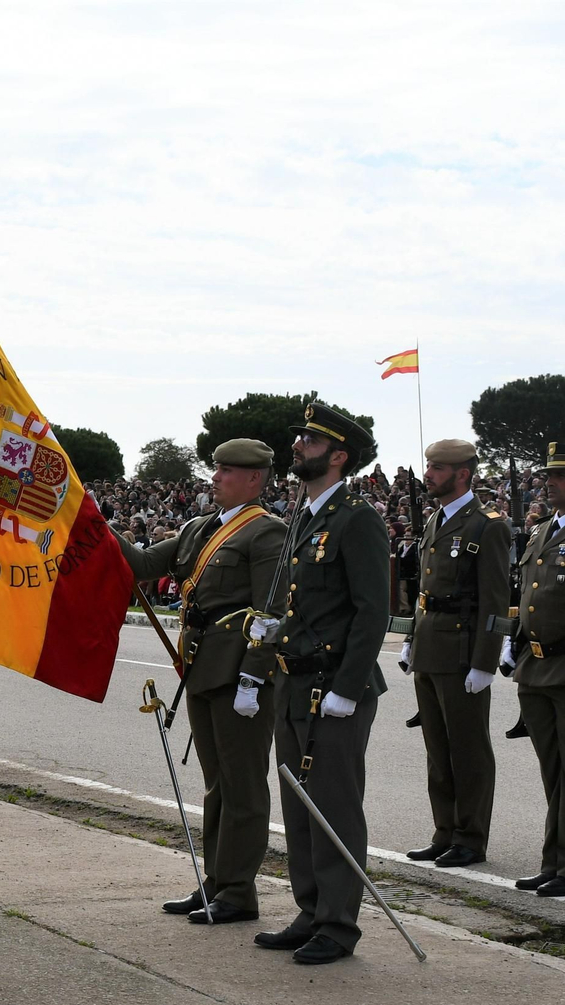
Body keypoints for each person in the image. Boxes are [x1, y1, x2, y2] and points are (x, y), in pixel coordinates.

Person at [113, 439, 286, 924]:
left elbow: (272, 611)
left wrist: (255, 674)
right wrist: (93, 522)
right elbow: (144, 566)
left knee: (244, 786)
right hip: (201, 669)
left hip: (238, 675)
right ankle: (216, 880)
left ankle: (239, 890)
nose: (215, 478)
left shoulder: (267, 534)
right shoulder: (197, 529)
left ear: (254, 480)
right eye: (216, 469)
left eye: (226, 471)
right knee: (217, 785)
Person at [257, 402, 389, 965]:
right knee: (299, 804)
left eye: (310, 441)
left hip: (333, 688)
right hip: (295, 681)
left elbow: (373, 611)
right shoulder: (306, 514)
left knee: (333, 806)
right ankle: (310, 911)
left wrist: (348, 686)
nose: (298, 446)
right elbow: (300, 605)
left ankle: (337, 925)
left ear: (338, 456)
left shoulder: (357, 518)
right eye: (301, 438)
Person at [401, 440, 511, 869]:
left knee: (468, 751)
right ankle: (444, 831)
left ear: (462, 474)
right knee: (437, 749)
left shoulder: (487, 525)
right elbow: (425, 592)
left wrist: (485, 661)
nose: (429, 473)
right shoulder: (436, 519)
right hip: (431, 646)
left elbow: (496, 600)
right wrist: (411, 637)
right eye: (429, 465)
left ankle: (470, 837)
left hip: (464, 651)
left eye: (438, 467)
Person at [514, 441, 565, 895]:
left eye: (560, 476)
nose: (550, 483)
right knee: (553, 772)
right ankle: (555, 862)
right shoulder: (542, 532)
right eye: (549, 475)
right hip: (535, 668)